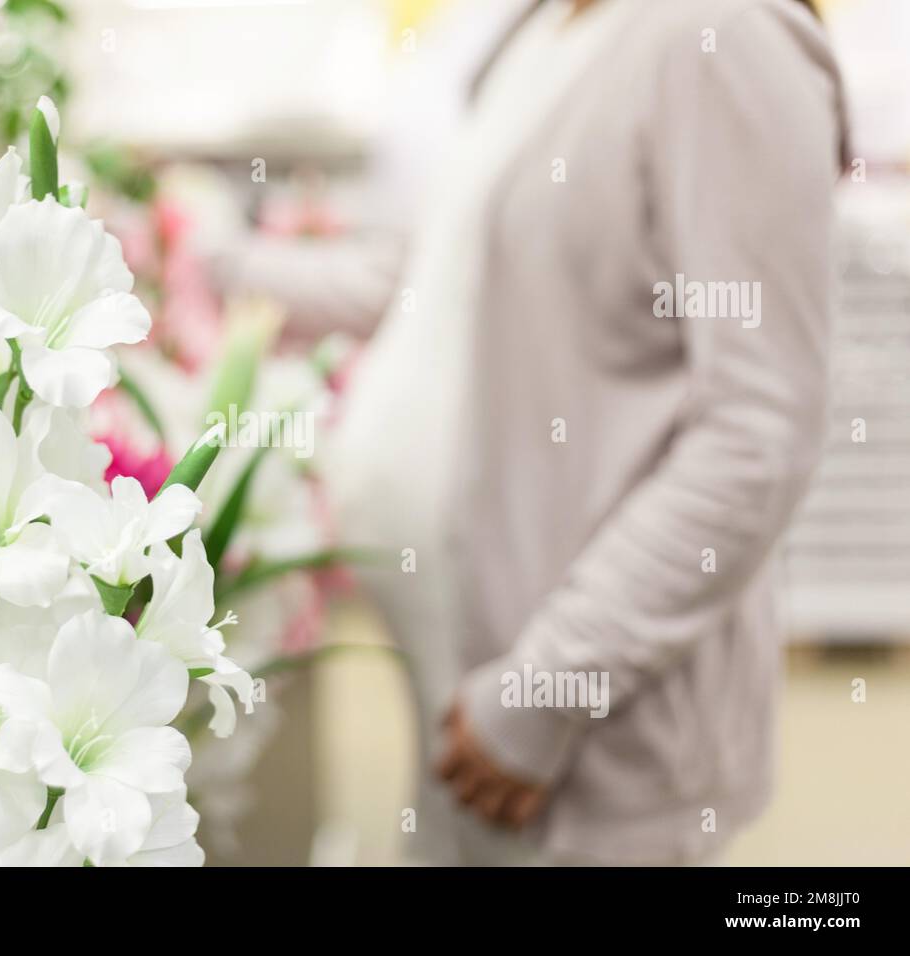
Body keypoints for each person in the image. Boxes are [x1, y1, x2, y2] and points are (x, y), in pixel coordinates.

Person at [317, 0, 848, 865]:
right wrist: (195, 264)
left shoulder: (723, 37)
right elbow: (438, 274)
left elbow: (761, 429)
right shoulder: (547, 25)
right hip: (463, 686)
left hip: (571, 742)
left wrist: (548, 689)